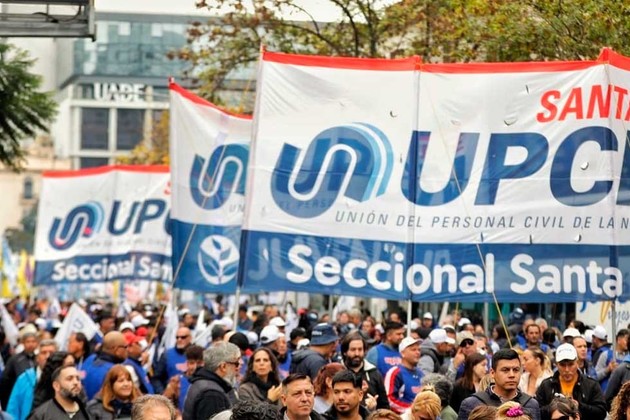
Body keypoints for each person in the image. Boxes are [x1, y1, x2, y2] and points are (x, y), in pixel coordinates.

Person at [457, 348, 540, 420]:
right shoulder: (472, 404)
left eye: (516, 370)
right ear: (492, 373)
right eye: (505, 370)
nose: (512, 375)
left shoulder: (531, 404)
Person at [535, 343, 606, 420]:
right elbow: (537, 412)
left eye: (571, 364)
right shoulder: (546, 385)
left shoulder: (591, 385)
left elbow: (601, 412)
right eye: (562, 365)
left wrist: (579, 406)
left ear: (577, 363)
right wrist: (555, 407)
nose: (567, 369)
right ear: (556, 364)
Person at [182, 341, 241, 420]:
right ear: (223, 366)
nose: (238, 368)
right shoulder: (212, 394)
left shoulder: (203, 383)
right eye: (236, 364)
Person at [6, 339, 58, 420]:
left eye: (51, 353)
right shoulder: (24, 378)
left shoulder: (63, 379)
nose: (47, 357)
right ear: (37, 358)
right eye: (43, 353)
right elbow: (13, 409)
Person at [341, 331, 389, 410]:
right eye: (353, 350)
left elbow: (384, 406)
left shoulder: (374, 373)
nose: (357, 354)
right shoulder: (338, 371)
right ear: (345, 352)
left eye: (360, 349)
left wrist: (373, 409)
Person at [83, 331, 129, 399]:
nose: (127, 350)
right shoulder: (114, 372)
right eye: (125, 347)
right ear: (116, 349)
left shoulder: (89, 360)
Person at [384, 337, 424, 414]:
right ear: (402, 353)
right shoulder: (395, 372)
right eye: (413, 350)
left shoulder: (421, 373)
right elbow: (389, 400)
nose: (418, 352)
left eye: (419, 350)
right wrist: (411, 410)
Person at [0, 330, 38, 409]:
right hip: (18, 394)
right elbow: (5, 380)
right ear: (23, 343)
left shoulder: (38, 359)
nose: (31, 344)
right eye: (28, 342)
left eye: (33, 341)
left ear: (37, 343)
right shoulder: (15, 360)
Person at [151, 327, 192, 393]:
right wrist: (163, 393)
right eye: (177, 337)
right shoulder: (167, 355)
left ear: (190, 338)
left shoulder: (197, 354)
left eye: (183, 337)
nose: (179, 339)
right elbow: (156, 378)